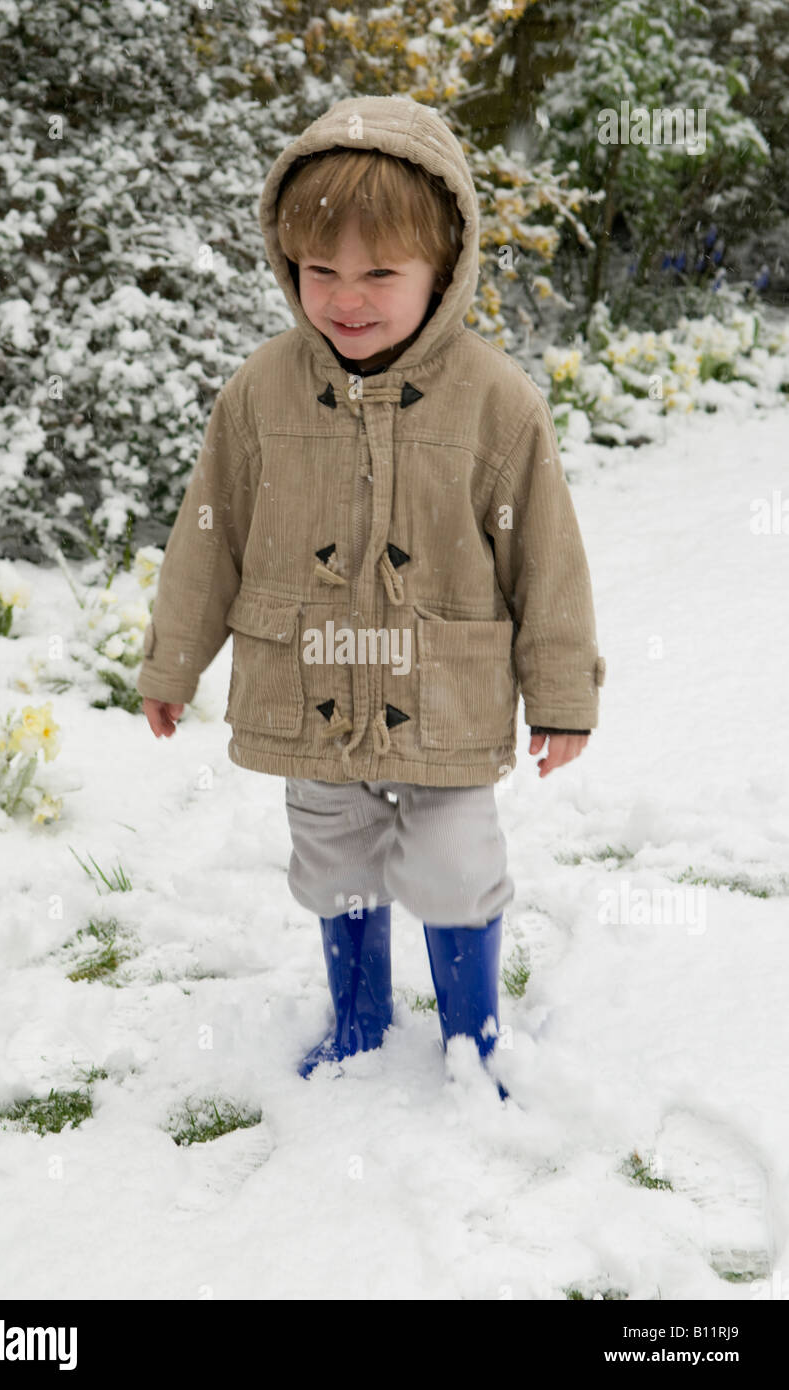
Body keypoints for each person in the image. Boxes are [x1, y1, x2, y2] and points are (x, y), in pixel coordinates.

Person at [137, 95, 606, 1102]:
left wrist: (560, 692)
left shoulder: (494, 401)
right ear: (286, 264)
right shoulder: (259, 392)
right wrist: (172, 661)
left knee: (451, 864)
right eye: (319, 272)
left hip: (443, 695)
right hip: (307, 692)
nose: (345, 299)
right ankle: (356, 1016)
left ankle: (471, 1033)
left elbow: (548, 561)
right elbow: (205, 534)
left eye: (379, 274)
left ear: (443, 270)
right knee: (333, 863)